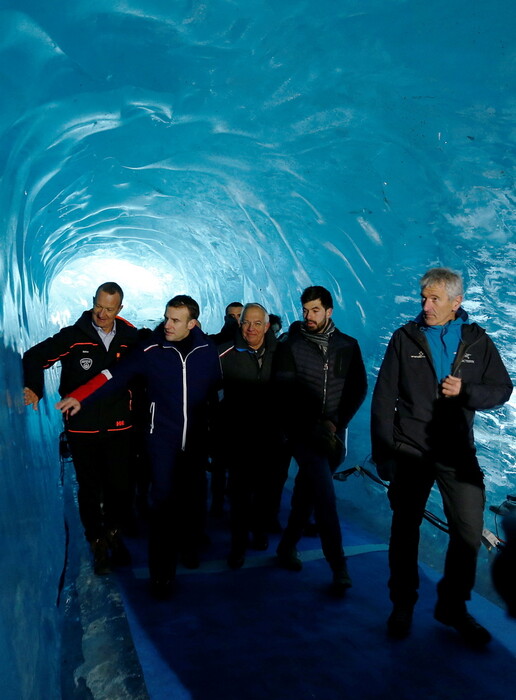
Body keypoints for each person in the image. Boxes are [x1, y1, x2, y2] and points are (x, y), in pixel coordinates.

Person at [371, 267, 513, 645]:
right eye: (424, 297)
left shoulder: (477, 340)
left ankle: (453, 606)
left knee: (468, 531)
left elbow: (502, 388)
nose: (426, 305)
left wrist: (467, 391)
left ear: (456, 302)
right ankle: (402, 603)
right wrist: (384, 454)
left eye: (435, 298)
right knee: (405, 532)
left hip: (456, 452)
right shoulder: (405, 338)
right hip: (411, 449)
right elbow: (384, 397)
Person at [56, 295, 222, 599]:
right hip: (162, 441)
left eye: (175, 320)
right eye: (166, 317)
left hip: (195, 441)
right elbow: (112, 376)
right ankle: (162, 575)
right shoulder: (150, 350)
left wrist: (214, 429)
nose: (167, 324)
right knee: (162, 507)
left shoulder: (206, 351)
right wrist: (80, 396)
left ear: (192, 324)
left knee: (193, 498)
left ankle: (190, 544)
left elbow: (216, 389)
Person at [23, 282, 139, 574]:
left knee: (119, 486)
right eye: (98, 305)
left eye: (109, 309)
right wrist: (34, 388)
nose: (101, 313)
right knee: (90, 487)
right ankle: (96, 541)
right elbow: (34, 357)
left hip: (119, 427)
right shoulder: (74, 337)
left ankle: (114, 534)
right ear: (93, 301)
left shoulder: (130, 337)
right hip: (82, 428)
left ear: (119, 309)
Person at [275, 286, 367, 595]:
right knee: (325, 497)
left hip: (333, 436)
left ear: (328, 312)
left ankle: (286, 547)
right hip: (304, 434)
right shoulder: (292, 345)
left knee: (306, 493)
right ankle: (338, 566)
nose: (309, 316)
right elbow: (285, 391)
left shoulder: (348, 346)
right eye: (305, 311)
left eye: (315, 310)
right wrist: (313, 424)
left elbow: (357, 389)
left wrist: (336, 423)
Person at [218, 303, 288, 568]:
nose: (251, 329)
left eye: (258, 323)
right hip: (239, 437)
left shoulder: (281, 353)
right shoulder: (225, 353)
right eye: (247, 322)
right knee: (239, 493)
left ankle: (259, 532)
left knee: (266, 491)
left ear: (267, 326)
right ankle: (238, 545)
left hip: (271, 438)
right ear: (240, 324)